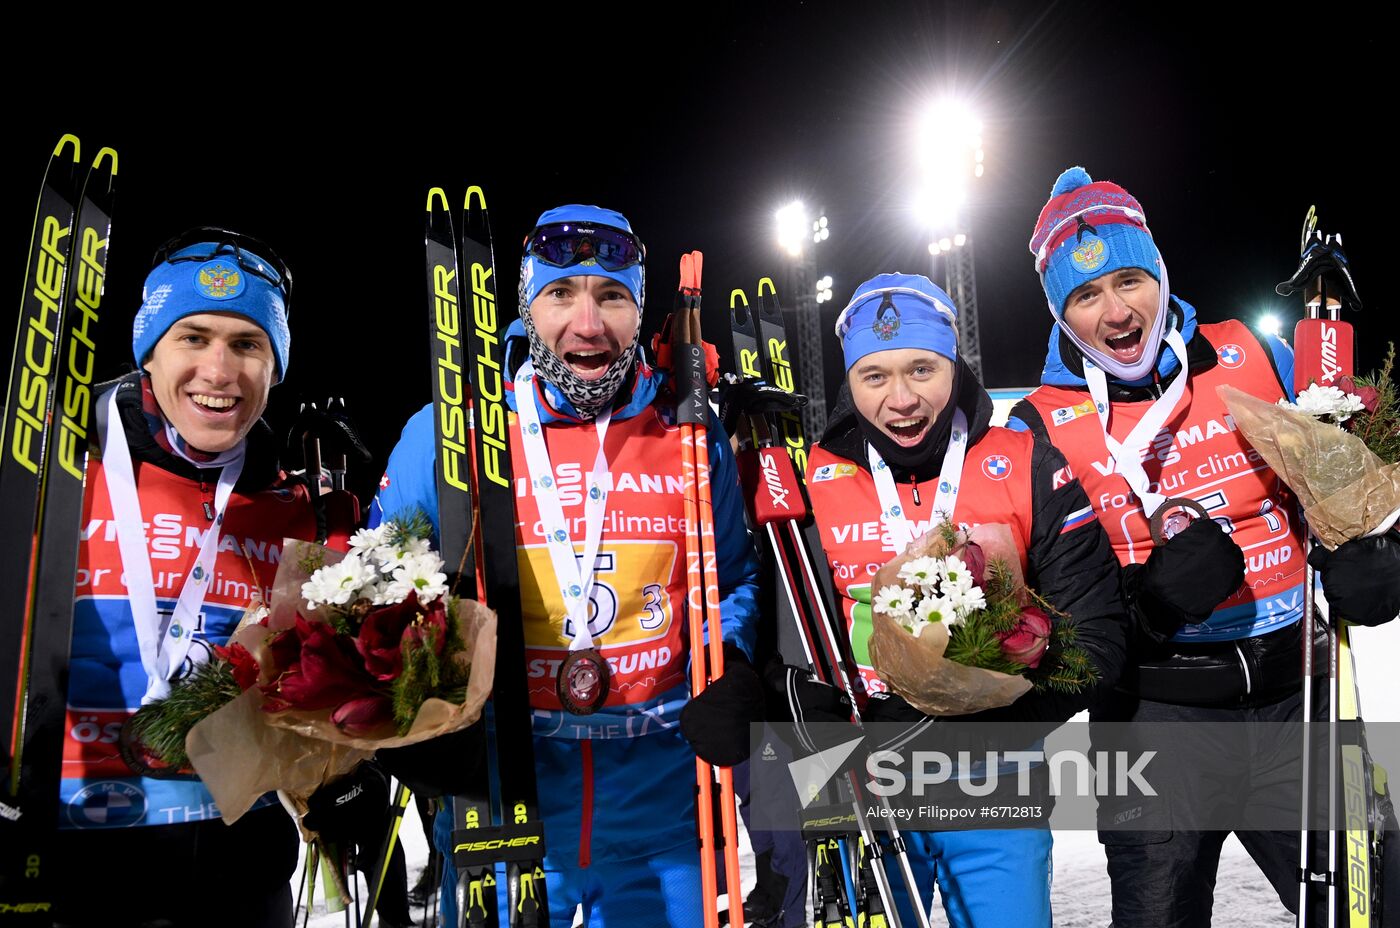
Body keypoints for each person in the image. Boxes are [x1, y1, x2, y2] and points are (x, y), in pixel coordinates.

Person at [1006, 167, 1400, 925]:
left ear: (1158, 270)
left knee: (1370, 907)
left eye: (1130, 280)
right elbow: (1041, 613)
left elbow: (1350, 469)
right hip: (1158, 721)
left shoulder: (1248, 354)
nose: (1117, 312)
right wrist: (1144, 605)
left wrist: (1378, 553)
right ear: (1060, 311)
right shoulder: (1038, 425)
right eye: (1086, 296)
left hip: (1299, 701)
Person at [369, 204, 760, 928]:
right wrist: (405, 720)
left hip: (664, 812)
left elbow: (731, 579)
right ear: (526, 303)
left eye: (612, 296)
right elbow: (380, 597)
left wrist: (733, 662)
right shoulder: (447, 434)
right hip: (505, 799)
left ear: (639, 310)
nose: (588, 324)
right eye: (561, 294)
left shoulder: (687, 431)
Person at [792, 272, 1128, 928]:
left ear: (954, 364)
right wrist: (817, 746)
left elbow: (1096, 639)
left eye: (922, 369)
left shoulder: (1027, 461)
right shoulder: (813, 483)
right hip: (865, 789)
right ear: (850, 383)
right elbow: (788, 656)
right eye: (875, 376)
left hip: (995, 787)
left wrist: (971, 725)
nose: (902, 398)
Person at [58, 230, 357, 927]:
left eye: (247, 345)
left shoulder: (291, 504)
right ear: (150, 350)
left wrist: (348, 778)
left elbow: (320, 679)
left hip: (237, 871)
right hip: (74, 867)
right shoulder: (60, 471)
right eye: (193, 337)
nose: (219, 371)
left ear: (275, 366)